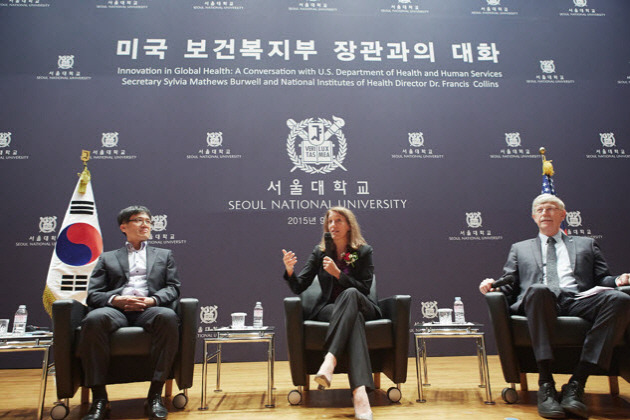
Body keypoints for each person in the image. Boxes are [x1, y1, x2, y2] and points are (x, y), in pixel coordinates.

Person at [479, 194, 630, 419]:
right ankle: (545, 383)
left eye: (550, 209)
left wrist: (618, 281)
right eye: (539, 210)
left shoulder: (585, 244)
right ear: (533, 217)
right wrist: (492, 286)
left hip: (578, 299)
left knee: (621, 300)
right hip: (540, 301)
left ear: (562, 215)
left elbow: (603, 278)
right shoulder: (520, 248)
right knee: (539, 290)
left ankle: (577, 382)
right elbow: (510, 283)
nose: (544, 213)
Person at [78, 206, 181, 420]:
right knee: (93, 319)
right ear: (123, 227)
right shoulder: (107, 258)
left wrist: (152, 299)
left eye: (148, 221)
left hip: (149, 309)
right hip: (116, 310)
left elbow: (173, 287)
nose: (146, 224)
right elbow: (93, 294)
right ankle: (100, 399)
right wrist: (117, 300)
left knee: (168, 317)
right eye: (139, 220)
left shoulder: (164, 255)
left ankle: (154, 396)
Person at [282, 207, 380, 420]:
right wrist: (290, 271)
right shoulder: (320, 252)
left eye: (338, 221)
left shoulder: (363, 251)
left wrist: (338, 274)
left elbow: (364, 288)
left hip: (361, 303)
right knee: (353, 321)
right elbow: (300, 286)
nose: (333, 225)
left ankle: (330, 359)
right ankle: (360, 393)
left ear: (349, 225)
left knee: (351, 293)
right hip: (330, 308)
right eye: (329, 222)